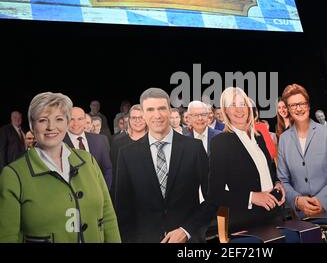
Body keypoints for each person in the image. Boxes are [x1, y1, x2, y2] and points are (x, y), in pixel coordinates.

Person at [0, 92, 120, 242]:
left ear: (67, 123)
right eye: (43, 120)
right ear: (32, 125)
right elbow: (7, 237)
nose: (51, 127)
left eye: (59, 119)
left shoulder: (88, 161)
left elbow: (108, 217)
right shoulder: (13, 175)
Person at [115, 88, 214, 243]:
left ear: (169, 110)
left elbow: (213, 198)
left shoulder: (194, 148)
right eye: (150, 109)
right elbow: (123, 210)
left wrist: (187, 230)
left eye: (162, 108)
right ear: (143, 114)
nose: (157, 115)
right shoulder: (127, 154)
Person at [208, 87, 285, 234]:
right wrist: (252, 197)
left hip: (274, 215)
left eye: (242, 104)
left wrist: (277, 183)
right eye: (233, 105)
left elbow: (269, 171)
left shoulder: (259, 136)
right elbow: (214, 193)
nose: (239, 110)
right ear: (225, 111)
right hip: (247, 222)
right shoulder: (220, 142)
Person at [277, 84, 327, 218]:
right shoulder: (283, 140)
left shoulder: (326, 132)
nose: (298, 109)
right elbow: (283, 180)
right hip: (304, 218)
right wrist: (298, 201)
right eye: (293, 105)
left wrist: (322, 200)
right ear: (288, 109)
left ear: (308, 106)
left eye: (302, 103)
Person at [63, 107, 113, 190]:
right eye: (72, 119)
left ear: (85, 121)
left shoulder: (100, 140)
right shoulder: (59, 143)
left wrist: (103, 192)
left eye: (80, 119)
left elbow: (108, 169)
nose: (76, 123)